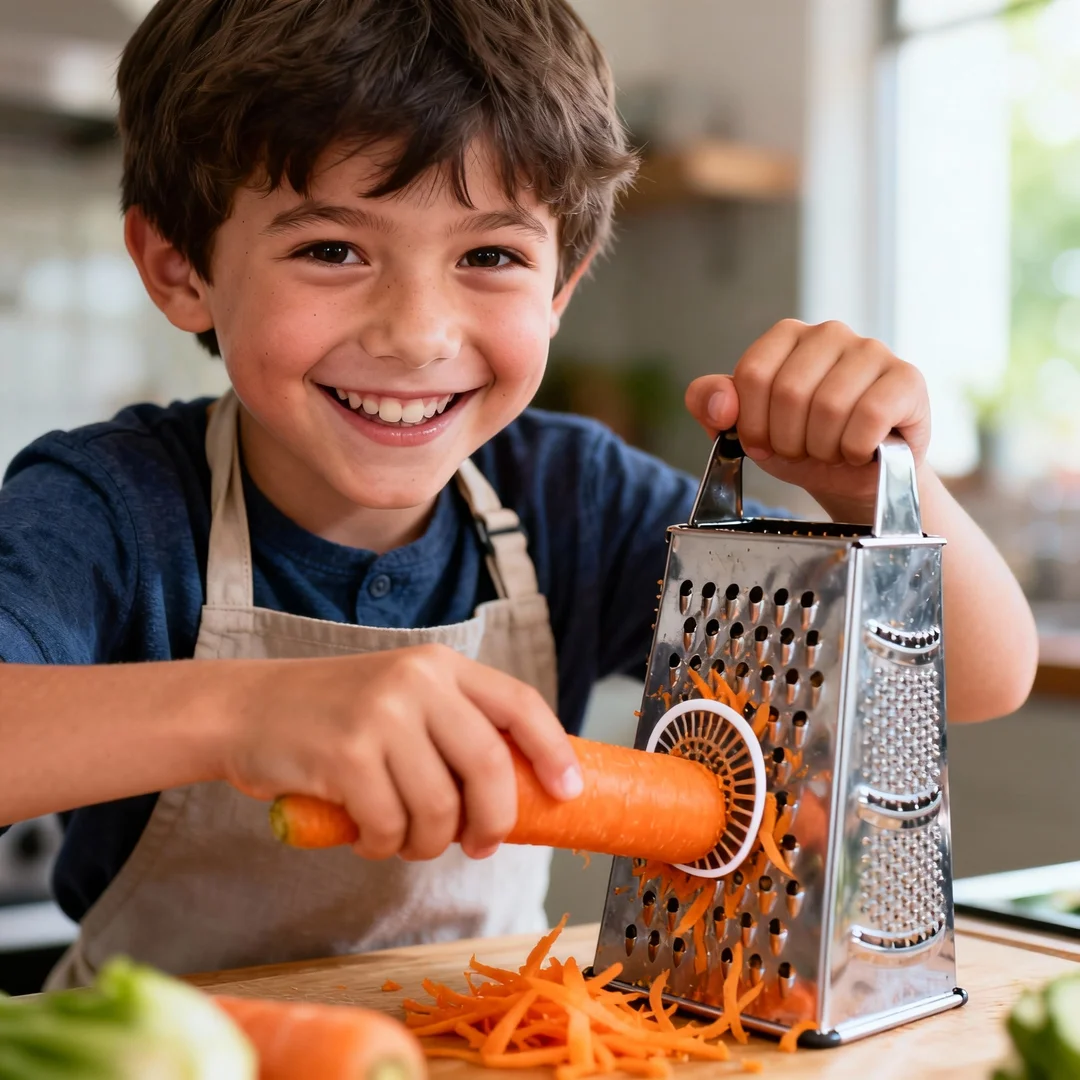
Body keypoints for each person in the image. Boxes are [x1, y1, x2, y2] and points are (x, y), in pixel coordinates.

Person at [0, 0, 1037, 989]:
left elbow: (977, 680)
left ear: (560, 288)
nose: (417, 334)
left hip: (480, 1043)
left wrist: (880, 490)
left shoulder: (575, 498)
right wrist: (247, 710)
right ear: (179, 269)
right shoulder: (111, 508)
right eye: (331, 249)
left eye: (490, 256)